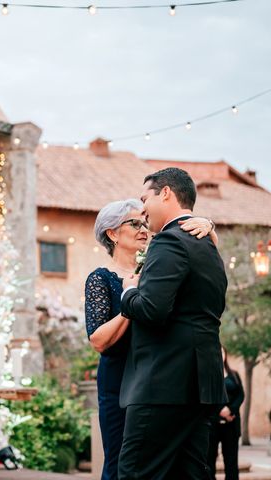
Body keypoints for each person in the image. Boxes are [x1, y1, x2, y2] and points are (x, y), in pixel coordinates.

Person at [84, 198, 216, 480]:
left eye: (145, 222)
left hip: (161, 375)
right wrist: (133, 299)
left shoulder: (158, 268)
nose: (144, 228)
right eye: (134, 223)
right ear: (113, 233)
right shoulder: (100, 278)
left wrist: (210, 227)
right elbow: (98, 340)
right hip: (120, 380)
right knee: (122, 463)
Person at [118, 167, 228, 480]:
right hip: (201, 386)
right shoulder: (209, 247)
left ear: (165, 193)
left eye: (145, 198)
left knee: (135, 473)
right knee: (190, 474)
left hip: (164, 386)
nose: (142, 209)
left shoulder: (168, 242)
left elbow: (152, 309)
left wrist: (129, 292)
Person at [208, 345, 244, 480]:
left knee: (231, 461)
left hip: (231, 424)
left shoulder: (234, 375)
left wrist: (230, 410)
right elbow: (208, 397)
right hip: (214, 425)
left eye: (222, 351)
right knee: (209, 460)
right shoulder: (210, 375)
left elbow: (241, 395)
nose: (220, 354)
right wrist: (220, 411)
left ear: (226, 354)